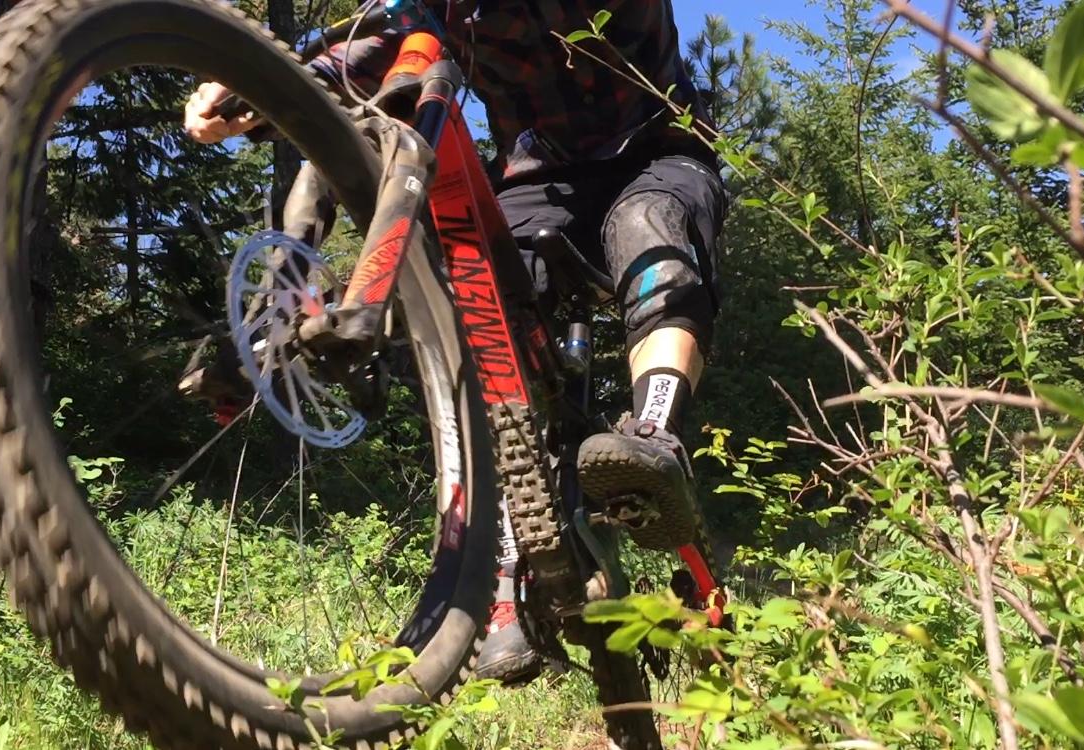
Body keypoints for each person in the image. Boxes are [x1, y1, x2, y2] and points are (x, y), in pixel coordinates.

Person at [184, 0, 726, 684]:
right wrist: (251, 87)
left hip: (654, 152)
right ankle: (506, 551)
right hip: (540, 180)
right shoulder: (441, 9)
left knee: (651, 231)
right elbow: (346, 65)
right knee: (473, 292)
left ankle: (653, 434)